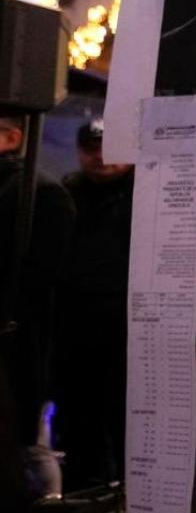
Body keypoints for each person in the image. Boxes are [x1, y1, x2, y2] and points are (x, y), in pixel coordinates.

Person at [53, 121, 135, 490]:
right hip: (75, 331)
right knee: (77, 423)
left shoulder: (149, 192)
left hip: (129, 333)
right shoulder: (65, 193)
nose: (100, 156)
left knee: (124, 424)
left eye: (108, 147)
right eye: (91, 148)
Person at [0, 114, 75, 501]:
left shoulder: (39, 194)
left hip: (16, 354)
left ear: (13, 138)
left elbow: (38, 286)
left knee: (26, 454)